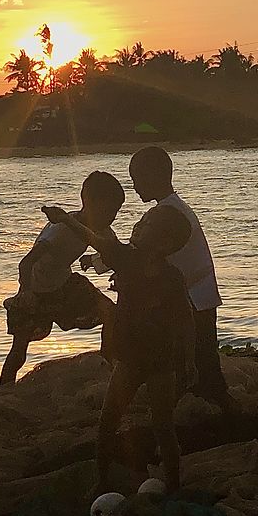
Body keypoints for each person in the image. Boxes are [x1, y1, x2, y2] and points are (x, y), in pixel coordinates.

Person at [42, 202, 194, 494]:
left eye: (146, 224)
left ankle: (173, 485)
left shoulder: (167, 275)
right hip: (132, 358)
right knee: (109, 421)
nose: (137, 226)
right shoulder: (127, 258)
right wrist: (65, 220)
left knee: (161, 426)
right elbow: (95, 240)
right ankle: (103, 479)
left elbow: (185, 320)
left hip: (159, 361)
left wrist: (189, 360)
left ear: (166, 242)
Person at [124, 146, 237, 413]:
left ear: (153, 176)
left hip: (193, 299)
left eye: (136, 179)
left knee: (198, 364)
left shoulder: (167, 214)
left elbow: (139, 254)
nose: (135, 187)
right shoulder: (177, 208)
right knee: (204, 363)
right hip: (198, 295)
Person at [0, 171, 126, 387]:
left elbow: (116, 254)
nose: (112, 218)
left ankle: (107, 366)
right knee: (18, 350)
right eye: (109, 211)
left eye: (116, 212)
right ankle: (3, 391)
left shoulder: (103, 229)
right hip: (36, 288)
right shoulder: (61, 229)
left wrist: (97, 261)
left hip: (65, 283)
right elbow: (26, 263)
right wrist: (25, 292)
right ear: (90, 202)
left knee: (110, 312)